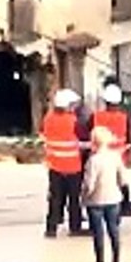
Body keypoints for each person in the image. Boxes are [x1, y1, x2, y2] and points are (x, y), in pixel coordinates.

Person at [42, 89, 87, 238]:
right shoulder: (73, 121)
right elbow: (82, 141)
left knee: (55, 198)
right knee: (74, 199)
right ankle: (75, 227)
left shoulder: (48, 119)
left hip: (55, 166)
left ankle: (51, 228)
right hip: (73, 167)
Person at [82, 126, 126, 262]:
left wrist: (84, 196)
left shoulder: (93, 161)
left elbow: (90, 184)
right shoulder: (115, 156)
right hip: (113, 198)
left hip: (96, 201)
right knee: (114, 230)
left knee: (98, 233)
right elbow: (123, 179)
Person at [91, 84, 131, 216]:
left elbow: (91, 133)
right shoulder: (124, 117)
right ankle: (125, 207)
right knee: (121, 180)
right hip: (118, 154)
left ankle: (101, 203)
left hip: (101, 154)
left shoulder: (97, 117)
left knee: (101, 180)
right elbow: (129, 137)